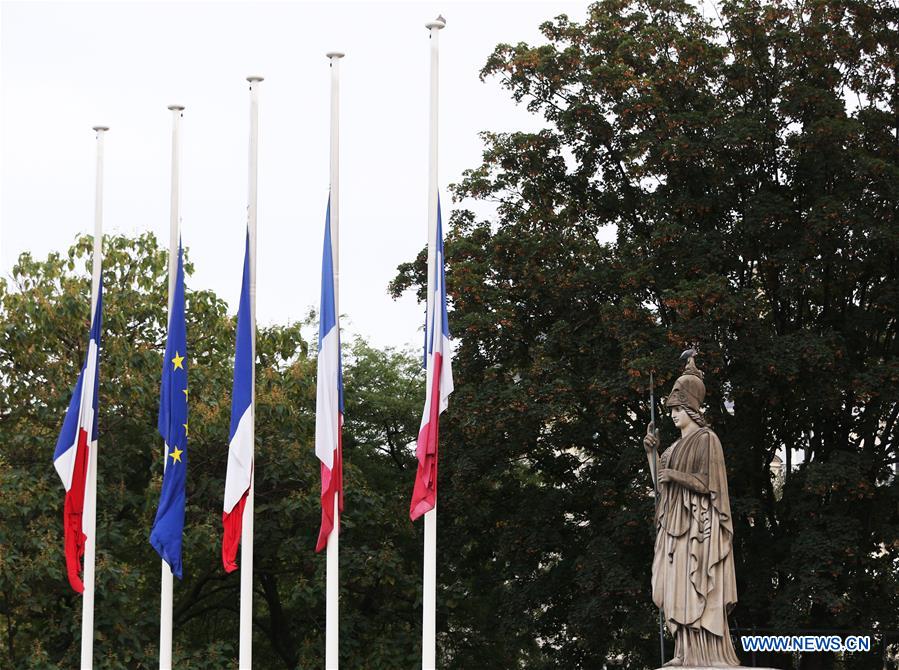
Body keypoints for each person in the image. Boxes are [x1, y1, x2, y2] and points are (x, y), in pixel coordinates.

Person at [644, 354, 741, 667]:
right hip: (674, 527)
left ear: (692, 409)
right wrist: (652, 453)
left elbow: (707, 483)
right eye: (671, 410)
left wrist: (674, 475)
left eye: (677, 409)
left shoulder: (707, 439)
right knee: (677, 591)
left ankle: (707, 654)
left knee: (697, 587)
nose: (673, 415)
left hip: (698, 527)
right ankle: (684, 653)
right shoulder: (671, 449)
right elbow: (660, 487)